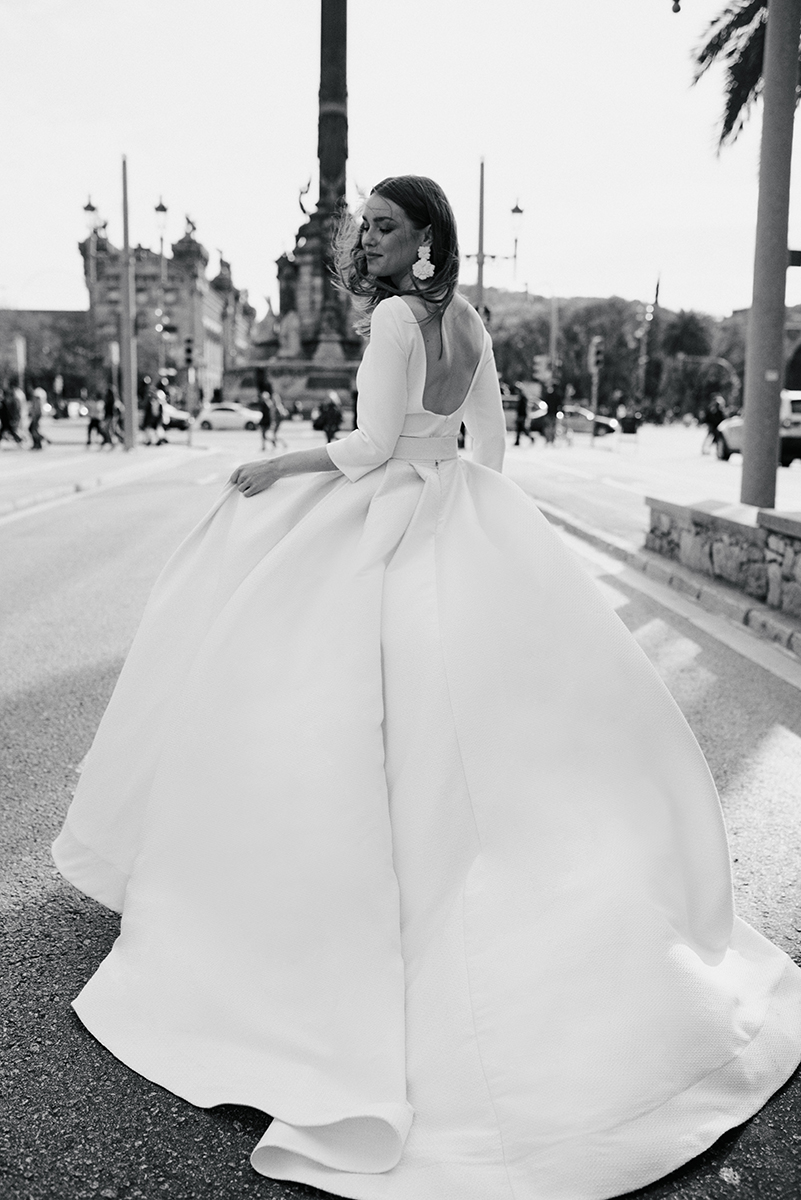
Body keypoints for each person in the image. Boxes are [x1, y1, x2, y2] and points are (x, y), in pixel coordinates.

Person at [52, 175, 801, 1200]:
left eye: (385, 226)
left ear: (423, 238)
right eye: (364, 225)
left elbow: (367, 450)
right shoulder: (472, 322)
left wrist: (280, 469)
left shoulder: (397, 321)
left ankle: (330, 913)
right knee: (471, 726)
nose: (368, 238)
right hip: (458, 511)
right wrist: (464, 506)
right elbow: (488, 447)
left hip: (387, 516)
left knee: (310, 685)